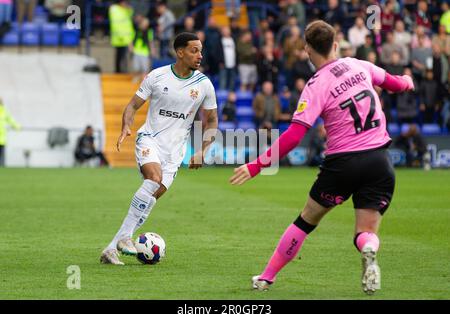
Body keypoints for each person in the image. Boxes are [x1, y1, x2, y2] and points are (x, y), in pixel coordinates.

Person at [229, 20, 415, 295]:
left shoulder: (316, 84)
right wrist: (408, 81)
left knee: (305, 221)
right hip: (379, 160)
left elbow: (294, 136)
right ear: (336, 44)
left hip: (342, 164)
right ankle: (368, 249)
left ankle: (267, 277)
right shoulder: (359, 65)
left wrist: (257, 166)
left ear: (307, 50)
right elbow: (396, 84)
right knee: (364, 232)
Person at [100, 32, 218, 265]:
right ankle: (125, 238)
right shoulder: (157, 76)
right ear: (180, 52)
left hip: (175, 152)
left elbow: (212, 119)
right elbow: (133, 105)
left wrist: (203, 150)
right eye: (194, 50)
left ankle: (111, 248)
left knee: (152, 197)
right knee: (153, 178)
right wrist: (126, 126)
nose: (199, 55)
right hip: (149, 139)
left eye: (201, 50)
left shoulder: (203, 84)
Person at [109, 0, 134, 73]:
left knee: (122, 57)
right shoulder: (115, 10)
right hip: (120, 38)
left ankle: (121, 72)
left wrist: (129, 9)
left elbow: (130, 15)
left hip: (127, 38)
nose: (126, 4)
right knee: (120, 57)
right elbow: (116, 25)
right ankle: (119, 72)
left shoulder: (124, 10)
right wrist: (124, 38)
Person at [0, 98, 20, 167]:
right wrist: (17, 127)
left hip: (2, 137)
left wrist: (17, 126)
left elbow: (11, 120)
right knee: (2, 154)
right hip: (2, 138)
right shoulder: (4, 111)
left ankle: (2, 166)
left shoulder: (4, 111)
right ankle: (2, 166)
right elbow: (11, 120)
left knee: (2, 154)